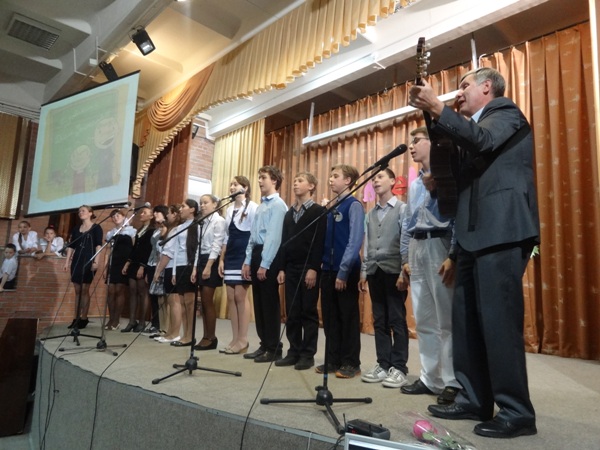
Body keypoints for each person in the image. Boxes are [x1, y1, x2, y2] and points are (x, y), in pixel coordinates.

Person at [409, 67, 539, 438]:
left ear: (487, 87)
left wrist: (437, 107)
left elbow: (481, 141)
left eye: (465, 85)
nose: (459, 92)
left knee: (499, 324)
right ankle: (473, 399)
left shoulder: (505, 112)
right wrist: (432, 116)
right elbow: (456, 160)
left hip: (502, 230)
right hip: (469, 235)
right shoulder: (471, 128)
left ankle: (517, 412)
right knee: (467, 324)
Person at [399, 127, 461, 405]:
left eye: (416, 141)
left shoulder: (447, 176)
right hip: (417, 247)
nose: (411, 146)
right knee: (423, 319)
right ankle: (430, 377)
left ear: (432, 143)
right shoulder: (414, 185)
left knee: (446, 318)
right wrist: (405, 258)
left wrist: (453, 254)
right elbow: (407, 223)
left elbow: (457, 215)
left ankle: (452, 381)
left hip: (439, 244)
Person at [359, 168, 410, 388]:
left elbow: (406, 239)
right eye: (373, 178)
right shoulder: (370, 213)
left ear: (392, 181)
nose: (375, 181)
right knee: (379, 320)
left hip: (394, 271)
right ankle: (383, 363)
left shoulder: (402, 209)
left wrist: (404, 272)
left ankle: (399, 367)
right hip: (375, 271)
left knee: (396, 319)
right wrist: (364, 271)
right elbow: (368, 244)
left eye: (380, 177)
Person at [317, 164, 365, 379]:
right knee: (330, 317)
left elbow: (354, 240)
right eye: (330, 176)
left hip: (344, 269)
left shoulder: (353, 205)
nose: (330, 179)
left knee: (347, 316)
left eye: (335, 176)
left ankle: (351, 362)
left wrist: (343, 271)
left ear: (348, 181)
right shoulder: (332, 206)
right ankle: (333, 358)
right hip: (328, 268)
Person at [275, 172, 326, 370]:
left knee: (308, 311)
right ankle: (293, 351)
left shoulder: (318, 211)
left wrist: (313, 268)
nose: (295, 184)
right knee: (292, 311)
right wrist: (281, 267)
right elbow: (284, 242)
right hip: (291, 268)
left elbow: (319, 243)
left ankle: (307, 354)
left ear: (311, 186)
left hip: (308, 267)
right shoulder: (289, 214)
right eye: (294, 181)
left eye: (300, 181)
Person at [241, 165, 287, 363]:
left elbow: (274, 237)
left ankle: (274, 347)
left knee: (269, 303)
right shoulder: (261, 206)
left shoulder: (278, 205)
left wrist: (265, 264)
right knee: (259, 303)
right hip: (257, 253)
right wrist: (247, 261)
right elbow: (253, 236)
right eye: (259, 177)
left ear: (274, 180)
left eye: (264, 178)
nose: (259, 181)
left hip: (269, 255)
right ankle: (264, 344)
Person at [218, 176, 258, 355]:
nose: (232, 187)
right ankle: (234, 338)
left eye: (236, 184)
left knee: (240, 296)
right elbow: (226, 237)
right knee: (231, 297)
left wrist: (248, 260)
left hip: (244, 254)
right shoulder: (229, 209)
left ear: (245, 188)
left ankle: (243, 339)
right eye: (231, 184)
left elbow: (254, 235)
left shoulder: (253, 207)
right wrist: (221, 259)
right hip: (231, 255)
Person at [154, 200, 198, 346]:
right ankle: (184, 334)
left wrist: (195, 267)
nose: (181, 209)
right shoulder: (180, 227)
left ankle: (189, 335)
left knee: (189, 303)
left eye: (184, 206)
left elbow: (197, 248)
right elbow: (176, 249)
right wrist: (173, 272)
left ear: (192, 209)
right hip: (178, 266)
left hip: (189, 264)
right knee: (183, 303)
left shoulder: (197, 225)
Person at [191, 194, 226, 350]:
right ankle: (206, 336)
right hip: (202, 259)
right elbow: (199, 246)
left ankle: (211, 337)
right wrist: (194, 268)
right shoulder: (202, 222)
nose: (202, 205)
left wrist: (208, 266)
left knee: (207, 299)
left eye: (206, 202)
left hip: (212, 260)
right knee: (203, 302)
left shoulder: (219, 221)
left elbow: (217, 245)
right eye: (201, 203)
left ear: (215, 204)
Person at [63, 205, 103, 329]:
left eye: (83, 211)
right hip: (77, 260)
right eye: (79, 211)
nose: (80, 213)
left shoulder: (96, 228)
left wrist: (96, 261)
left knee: (85, 289)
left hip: (89, 259)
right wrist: (67, 262)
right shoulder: (76, 228)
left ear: (90, 213)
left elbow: (98, 245)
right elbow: (71, 246)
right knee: (77, 290)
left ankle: (84, 318)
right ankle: (76, 318)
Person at [122, 204, 155, 333]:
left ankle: (142, 321)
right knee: (132, 291)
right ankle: (132, 321)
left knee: (142, 292)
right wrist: (127, 262)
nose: (141, 214)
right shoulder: (139, 229)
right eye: (141, 212)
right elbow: (135, 248)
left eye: (145, 213)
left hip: (143, 263)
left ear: (151, 216)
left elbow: (148, 250)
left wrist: (142, 266)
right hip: (134, 262)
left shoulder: (152, 231)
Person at [104, 209, 135, 331]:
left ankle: (117, 319)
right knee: (111, 290)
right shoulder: (111, 233)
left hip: (124, 263)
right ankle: (111, 318)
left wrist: (128, 263)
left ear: (123, 217)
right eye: (113, 216)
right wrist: (106, 266)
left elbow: (133, 248)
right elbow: (108, 251)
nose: (115, 217)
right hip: (113, 262)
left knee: (119, 290)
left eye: (118, 215)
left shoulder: (131, 231)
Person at [144, 204, 169, 337]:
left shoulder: (166, 229)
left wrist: (158, 268)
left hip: (160, 263)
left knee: (160, 296)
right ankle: (154, 324)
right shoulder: (156, 229)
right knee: (153, 295)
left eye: (157, 213)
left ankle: (161, 325)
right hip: (151, 262)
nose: (155, 215)